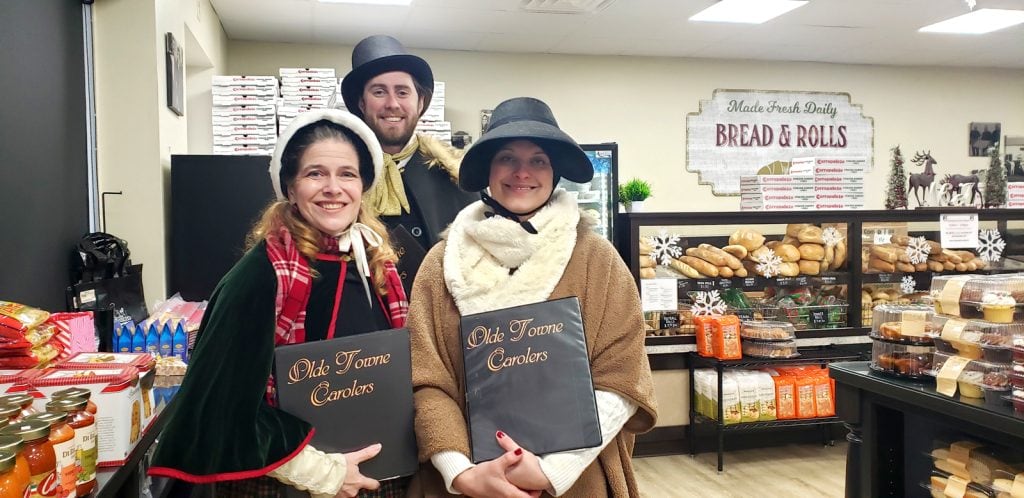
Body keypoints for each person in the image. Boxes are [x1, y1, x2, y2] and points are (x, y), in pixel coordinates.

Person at [149, 109, 411, 498]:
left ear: (363, 186)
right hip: (282, 481)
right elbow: (223, 406)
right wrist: (322, 473)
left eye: (347, 174)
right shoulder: (259, 275)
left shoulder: (377, 265)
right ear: (290, 187)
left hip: (374, 474)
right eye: (315, 173)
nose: (333, 188)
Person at [406, 97, 658, 498]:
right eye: (507, 158)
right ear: (488, 170)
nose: (522, 172)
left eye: (538, 160)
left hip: (575, 477)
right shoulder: (442, 264)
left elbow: (622, 374)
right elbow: (427, 379)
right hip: (466, 478)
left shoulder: (597, 259)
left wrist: (553, 471)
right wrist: (460, 472)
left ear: (555, 172)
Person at [341, 35, 478, 287]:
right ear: (362, 103)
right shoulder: (339, 179)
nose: (392, 104)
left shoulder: (459, 179)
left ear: (420, 102)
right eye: (379, 92)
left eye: (402, 92)